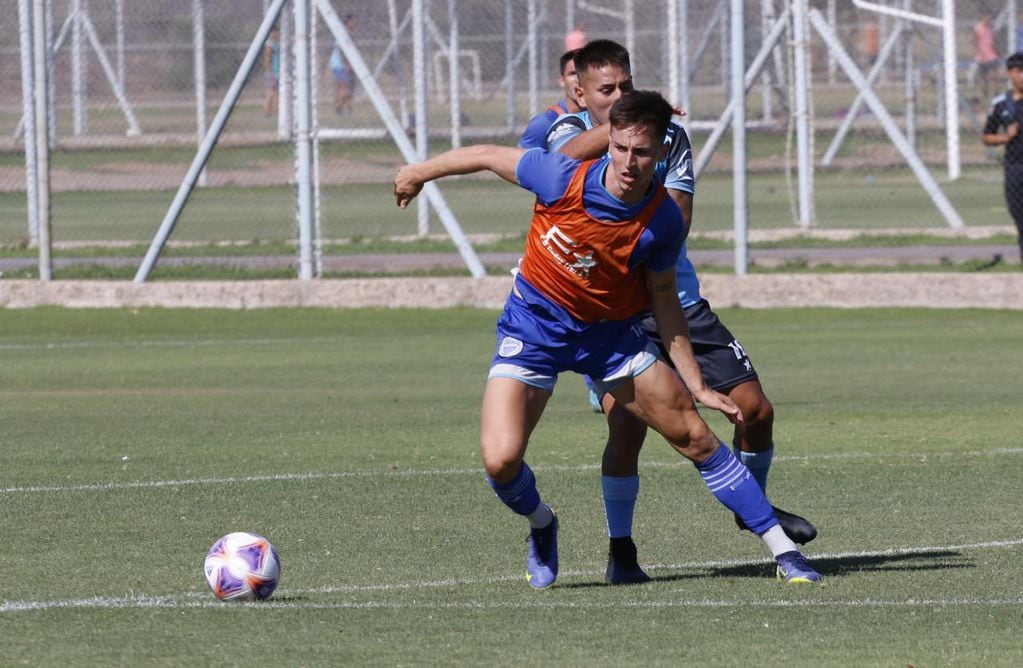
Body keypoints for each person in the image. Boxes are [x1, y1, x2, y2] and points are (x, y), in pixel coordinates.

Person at [393, 90, 822, 589]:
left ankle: (785, 552)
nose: (627, 162)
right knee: (501, 460)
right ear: (609, 141)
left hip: (609, 339)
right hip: (534, 331)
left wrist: (698, 385)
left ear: (660, 151)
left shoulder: (661, 220)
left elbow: (664, 302)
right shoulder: (559, 178)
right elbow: (488, 155)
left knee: (696, 436)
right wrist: (418, 171)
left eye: (641, 152)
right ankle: (542, 523)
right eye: (619, 148)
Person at [545, 40, 816, 584]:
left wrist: (652, 128)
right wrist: (631, 129)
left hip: (678, 302)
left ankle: (751, 508)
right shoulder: (566, 133)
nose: (619, 95)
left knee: (755, 411)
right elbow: (551, 168)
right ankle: (622, 553)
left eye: (626, 85)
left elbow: (677, 217)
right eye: (607, 90)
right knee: (627, 429)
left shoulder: (668, 137)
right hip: (610, 315)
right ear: (580, 91)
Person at [982, 51, 1023, 263]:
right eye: (1019, 71)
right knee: (1018, 214)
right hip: (1015, 167)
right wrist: (1006, 136)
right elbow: (987, 136)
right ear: (1010, 73)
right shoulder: (1001, 104)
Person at [519, 50, 582, 149]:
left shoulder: (602, 119)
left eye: (584, 72)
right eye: (573, 74)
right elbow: (524, 161)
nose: (579, 79)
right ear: (562, 81)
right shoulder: (544, 123)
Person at [329, 14, 358, 115]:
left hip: (338, 63)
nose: (355, 23)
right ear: (347, 22)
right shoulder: (344, 34)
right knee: (345, 87)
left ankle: (346, 109)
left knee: (345, 87)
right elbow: (341, 50)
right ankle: (339, 108)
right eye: (353, 21)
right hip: (339, 64)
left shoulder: (348, 33)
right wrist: (347, 63)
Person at [974, 13, 1000, 102]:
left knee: (994, 76)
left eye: (990, 18)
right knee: (983, 78)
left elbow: (994, 41)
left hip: (992, 56)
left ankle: (995, 94)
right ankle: (983, 95)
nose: (988, 20)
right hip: (982, 57)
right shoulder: (978, 28)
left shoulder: (991, 28)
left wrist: (997, 51)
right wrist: (981, 55)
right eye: (987, 18)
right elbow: (975, 42)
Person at [263, 27, 282, 117]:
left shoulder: (280, 42)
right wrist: (270, 73)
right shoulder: (270, 44)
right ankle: (267, 112)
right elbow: (267, 59)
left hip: (280, 71)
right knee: (271, 92)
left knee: (276, 92)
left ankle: (276, 111)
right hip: (273, 71)